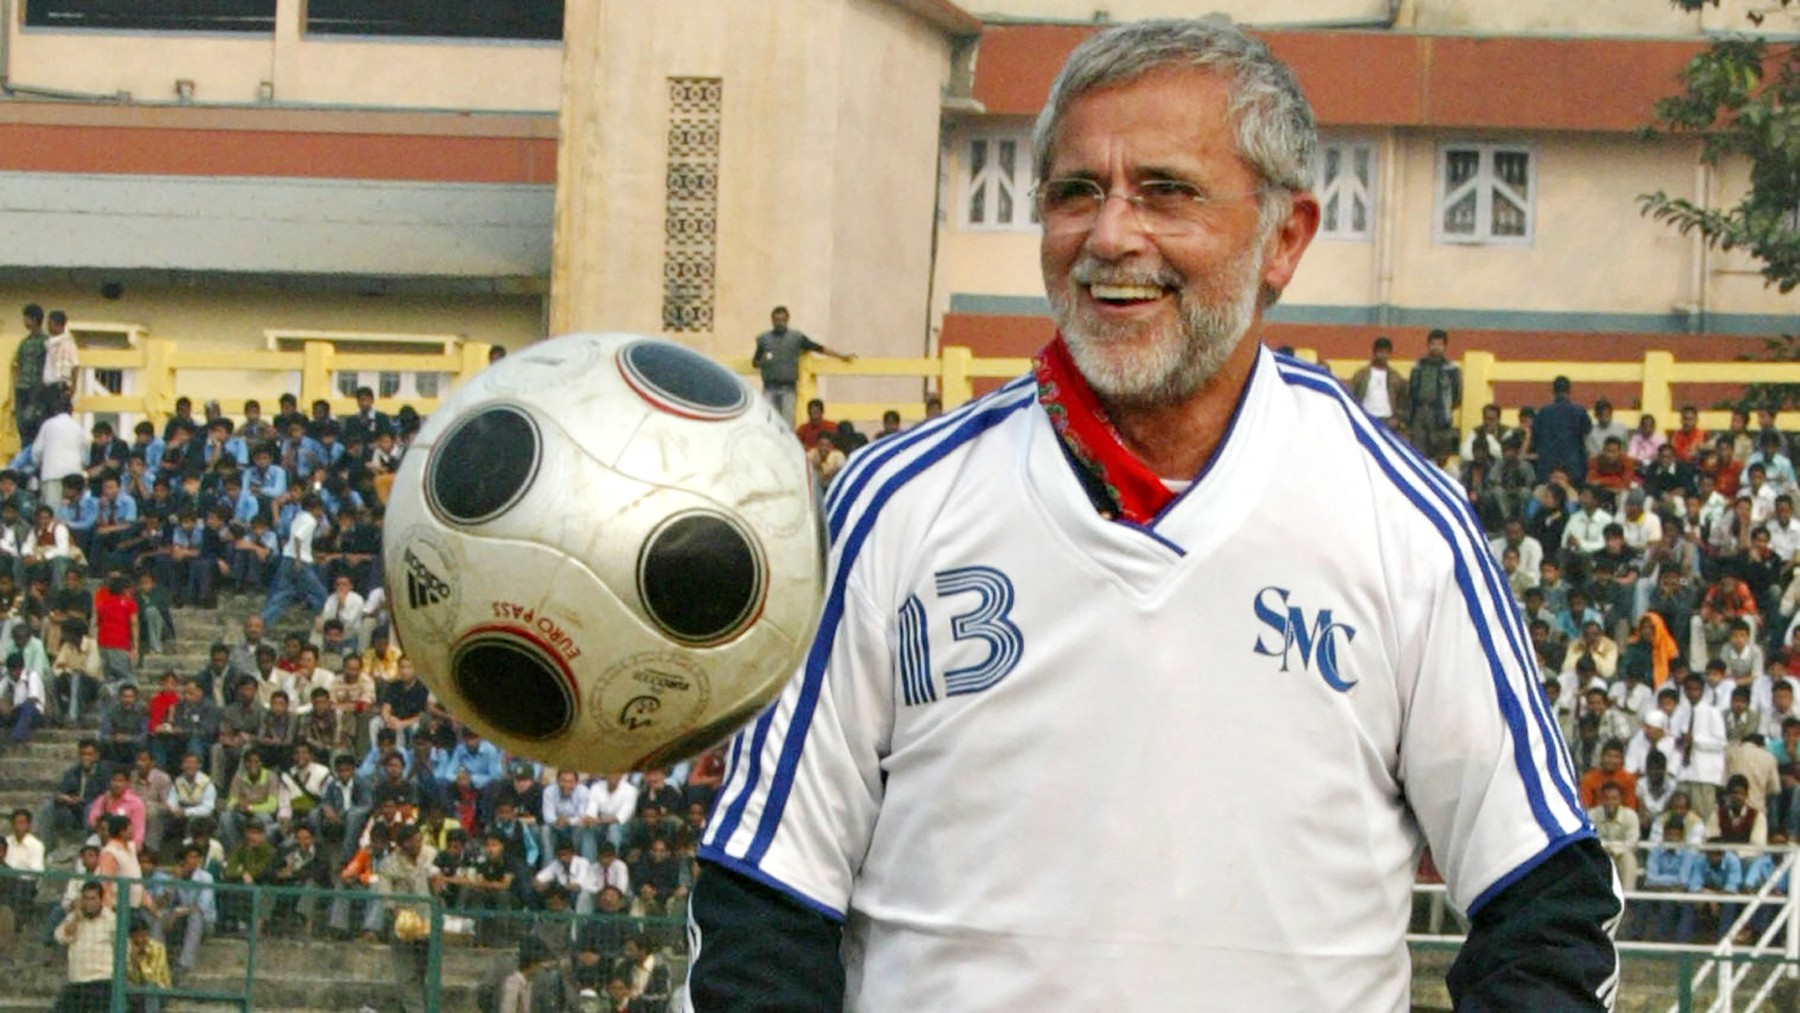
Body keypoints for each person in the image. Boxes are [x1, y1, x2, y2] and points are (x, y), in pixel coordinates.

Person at [687, 18, 1617, 1013]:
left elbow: (1545, 902)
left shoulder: (1401, 521)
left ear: (1285, 238)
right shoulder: (891, 504)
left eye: (1166, 193)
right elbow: (763, 901)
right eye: (1076, 193)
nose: (1111, 235)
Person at [750, 306, 855, 426]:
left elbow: (818, 348)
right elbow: (755, 363)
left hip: (788, 388)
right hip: (769, 387)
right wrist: (763, 360)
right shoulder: (764, 339)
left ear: (787, 320)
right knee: (767, 423)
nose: (779, 323)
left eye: (782, 320)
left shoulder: (796, 338)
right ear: (772, 320)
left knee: (786, 425)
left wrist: (841, 356)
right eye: (777, 320)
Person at [54, 880, 115, 1013]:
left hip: (102, 980)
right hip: (78, 980)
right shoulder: (74, 918)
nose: (89, 903)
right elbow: (61, 937)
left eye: (93, 898)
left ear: (100, 899)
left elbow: (123, 949)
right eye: (86, 899)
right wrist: (76, 914)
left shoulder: (111, 920)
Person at [1534, 377, 1594, 486]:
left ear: (1553, 391)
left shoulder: (1543, 412)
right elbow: (1587, 433)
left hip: (1548, 464)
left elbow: (1536, 437)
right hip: (1574, 463)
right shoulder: (1579, 411)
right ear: (1569, 391)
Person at [1347, 336, 1408, 432]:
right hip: (1366, 417)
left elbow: (1403, 400)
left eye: (1386, 352)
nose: (1383, 356)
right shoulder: (1361, 375)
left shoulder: (1396, 377)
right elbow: (1351, 396)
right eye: (1380, 352)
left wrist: (1397, 418)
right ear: (1374, 353)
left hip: (1388, 421)